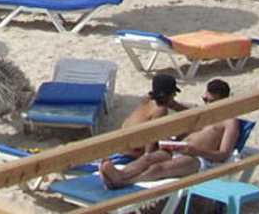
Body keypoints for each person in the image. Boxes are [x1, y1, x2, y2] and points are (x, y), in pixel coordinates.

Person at [101, 78, 240, 186]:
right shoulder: (203, 114)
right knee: (147, 159)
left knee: (158, 168)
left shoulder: (230, 122)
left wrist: (195, 151)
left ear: (224, 100)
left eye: (211, 101)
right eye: (205, 99)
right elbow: (185, 114)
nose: (207, 104)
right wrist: (173, 142)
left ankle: (125, 182)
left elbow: (223, 155)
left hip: (198, 159)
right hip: (177, 150)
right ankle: (120, 174)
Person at [118, 72, 190, 154]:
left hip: (123, 142)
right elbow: (152, 135)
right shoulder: (161, 110)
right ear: (167, 95)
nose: (175, 95)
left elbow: (181, 108)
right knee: (166, 151)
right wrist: (147, 155)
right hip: (132, 152)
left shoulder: (148, 100)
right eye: (173, 93)